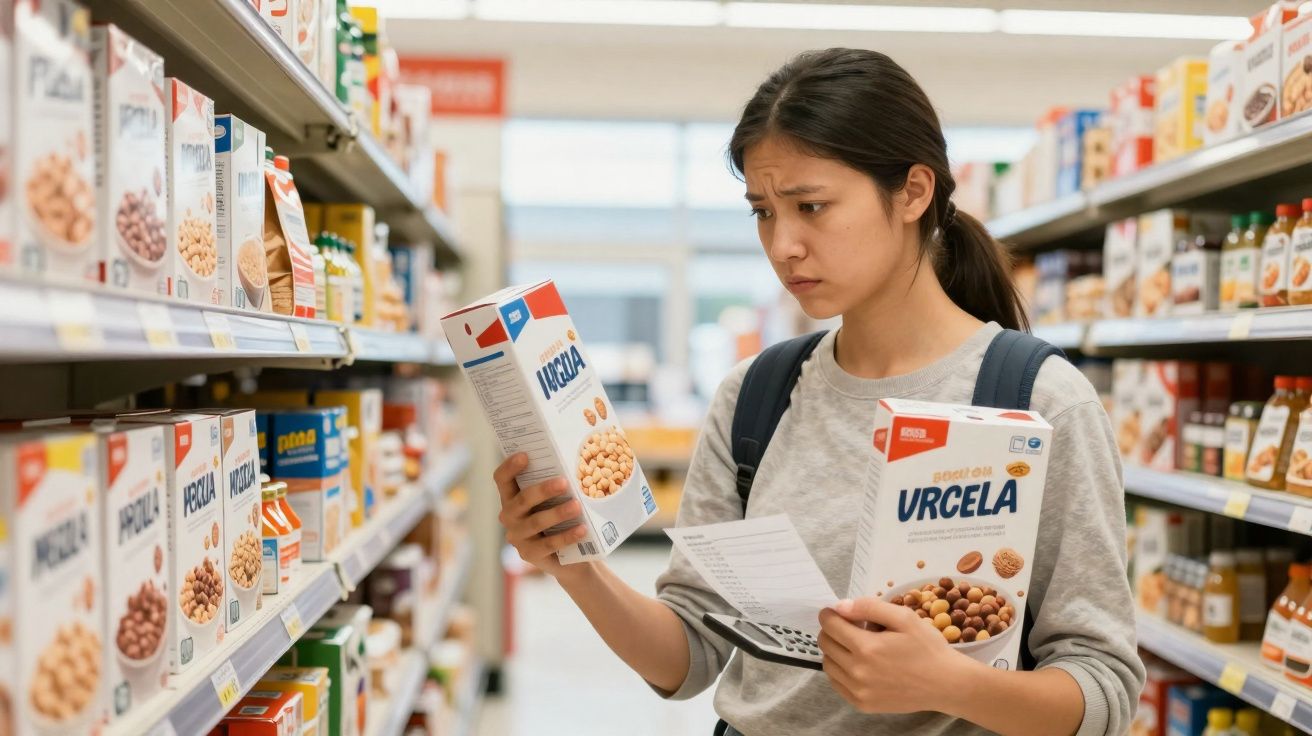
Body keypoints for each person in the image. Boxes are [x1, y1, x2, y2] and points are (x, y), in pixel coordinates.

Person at [493, 48, 1144, 736]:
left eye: (811, 206)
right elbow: (688, 657)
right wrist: (575, 567)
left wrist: (951, 684)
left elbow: (1104, 690)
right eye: (763, 212)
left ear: (914, 193)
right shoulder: (756, 396)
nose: (783, 245)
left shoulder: (1038, 400)